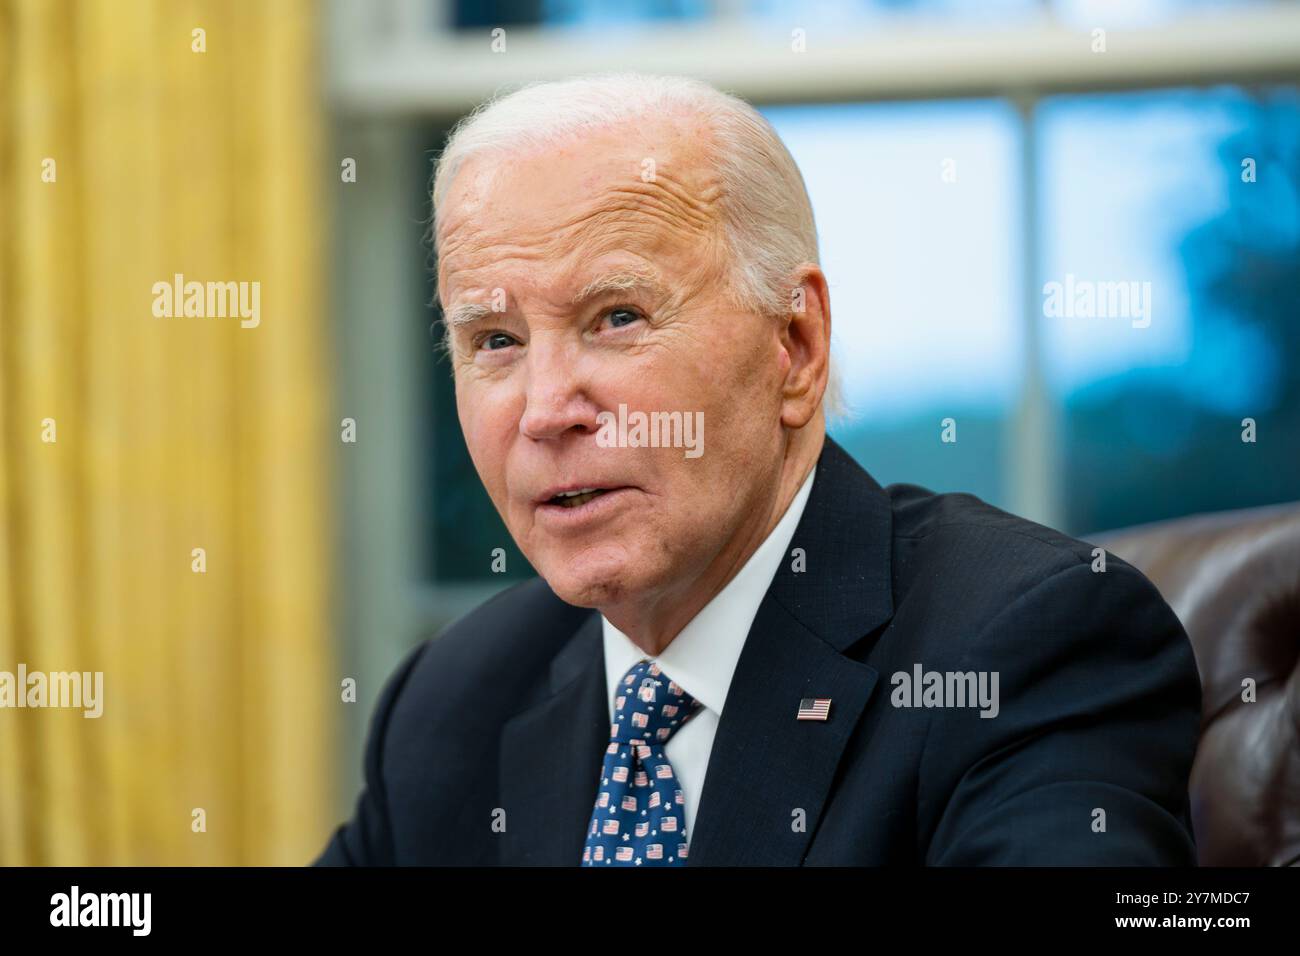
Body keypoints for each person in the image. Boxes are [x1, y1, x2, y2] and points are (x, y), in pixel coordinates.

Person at [314, 73, 1201, 866]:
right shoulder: (454, 700)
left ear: (796, 346)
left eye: (617, 318)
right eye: (496, 341)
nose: (546, 410)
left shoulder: (1026, 647)